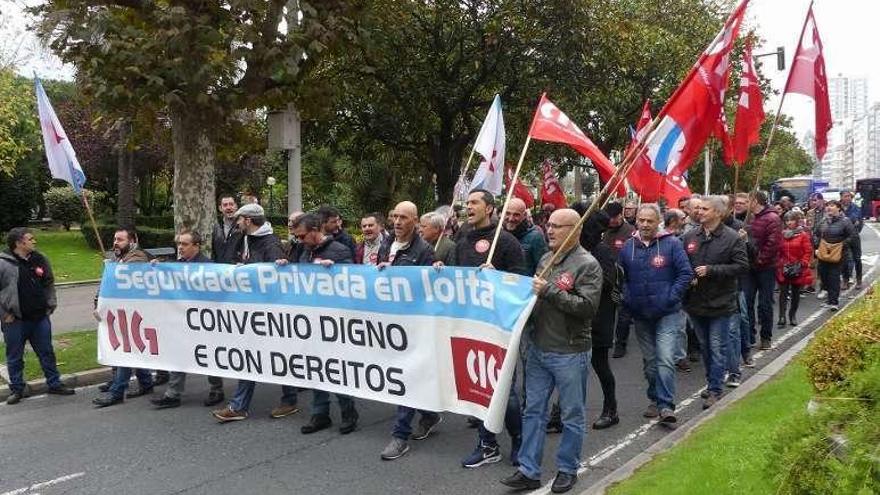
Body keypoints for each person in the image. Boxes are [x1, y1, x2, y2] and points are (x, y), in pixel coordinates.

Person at [500, 208, 602, 493]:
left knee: (571, 414)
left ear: (575, 230)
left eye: (558, 226)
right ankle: (528, 469)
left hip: (569, 351)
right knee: (533, 411)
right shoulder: (546, 258)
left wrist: (549, 292)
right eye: (549, 225)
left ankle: (568, 469)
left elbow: (587, 308)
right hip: (539, 348)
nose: (550, 230)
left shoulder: (588, 264)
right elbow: (529, 294)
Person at [440, 189, 525, 468]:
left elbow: (522, 281)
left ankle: (519, 439)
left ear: (489, 208)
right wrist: (441, 268)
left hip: (499, 328)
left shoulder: (507, 242)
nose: (468, 206)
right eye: (467, 203)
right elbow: (456, 278)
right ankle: (487, 444)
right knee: (478, 387)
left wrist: (498, 278)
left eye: (474, 202)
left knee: (506, 394)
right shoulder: (462, 238)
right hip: (470, 325)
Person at [212, 204, 297, 422]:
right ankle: (239, 405)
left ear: (248, 220)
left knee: (279, 356)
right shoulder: (243, 238)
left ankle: (289, 400)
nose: (237, 223)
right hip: (248, 309)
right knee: (249, 356)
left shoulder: (271, 244)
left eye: (240, 219)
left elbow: (275, 279)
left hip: (268, 312)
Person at [618, 204, 693, 427]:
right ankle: (654, 398)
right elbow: (620, 278)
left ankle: (666, 405)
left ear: (658, 221)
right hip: (640, 314)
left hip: (668, 313)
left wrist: (671, 297)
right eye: (641, 220)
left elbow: (685, 273)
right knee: (651, 363)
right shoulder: (628, 247)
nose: (644, 225)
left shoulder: (672, 244)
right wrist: (627, 298)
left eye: (650, 221)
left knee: (665, 359)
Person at [379, 202, 442, 461]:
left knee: (404, 376)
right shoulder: (386, 246)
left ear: (415, 221)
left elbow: (429, 290)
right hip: (390, 321)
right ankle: (429, 415)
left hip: (414, 325)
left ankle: (400, 435)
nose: (397, 221)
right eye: (394, 216)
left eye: (403, 217)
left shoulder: (425, 251)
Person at [681, 196, 749, 409]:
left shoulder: (732, 238)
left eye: (705, 208)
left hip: (721, 303)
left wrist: (712, 270)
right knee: (705, 346)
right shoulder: (690, 236)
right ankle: (712, 381)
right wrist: (687, 277)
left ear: (718, 213)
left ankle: (715, 389)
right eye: (698, 208)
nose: (699, 211)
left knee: (717, 346)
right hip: (696, 302)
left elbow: (741, 266)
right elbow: (683, 263)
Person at [0, 228, 75, 405]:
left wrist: (50, 304)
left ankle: (54, 383)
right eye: (30, 239)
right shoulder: (3, 263)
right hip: (15, 320)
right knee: (15, 356)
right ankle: (17, 389)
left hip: (40, 318)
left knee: (46, 352)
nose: (34, 241)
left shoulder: (40, 258)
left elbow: (49, 282)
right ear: (19, 243)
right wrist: (4, 314)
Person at [150, 231, 224, 409]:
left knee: (207, 354)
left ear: (196, 246)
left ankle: (217, 389)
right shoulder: (178, 265)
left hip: (204, 321)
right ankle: (173, 394)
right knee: (178, 352)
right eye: (178, 244)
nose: (180, 247)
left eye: (184, 244)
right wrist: (157, 267)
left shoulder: (208, 266)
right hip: (183, 320)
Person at [93, 227, 154, 407]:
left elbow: (125, 277)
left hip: (135, 313)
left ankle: (117, 392)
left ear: (132, 241)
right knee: (132, 349)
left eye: (120, 240)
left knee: (125, 352)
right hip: (123, 313)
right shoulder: (119, 259)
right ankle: (146, 382)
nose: (115, 243)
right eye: (114, 239)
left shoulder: (137, 258)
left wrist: (113, 268)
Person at [744, 191, 782, 350]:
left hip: (766, 267)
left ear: (756, 201)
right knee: (747, 302)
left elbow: (772, 245)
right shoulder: (749, 218)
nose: (746, 203)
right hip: (749, 267)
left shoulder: (772, 218)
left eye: (748, 200)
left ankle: (766, 336)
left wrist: (759, 260)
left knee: (765, 303)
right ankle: (750, 335)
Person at [602, 202, 635, 358]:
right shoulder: (604, 231)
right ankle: (607, 340)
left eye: (614, 217)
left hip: (625, 279)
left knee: (623, 314)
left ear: (621, 215)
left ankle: (621, 343)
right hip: (607, 278)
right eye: (610, 218)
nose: (612, 221)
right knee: (607, 312)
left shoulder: (630, 232)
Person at [814, 200, 855, 312]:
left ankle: (834, 302)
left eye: (832, 205)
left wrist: (841, 245)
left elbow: (852, 236)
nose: (828, 207)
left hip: (838, 254)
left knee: (834, 277)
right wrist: (817, 247)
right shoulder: (823, 221)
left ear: (838, 208)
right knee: (823, 275)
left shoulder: (845, 221)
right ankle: (828, 299)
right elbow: (816, 234)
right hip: (823, 252)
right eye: (827, 206)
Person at [776, 211, 814, 327]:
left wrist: (803, 262)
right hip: (784, 267)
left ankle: (792, 315)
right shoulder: (781, 234)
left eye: (791, 220)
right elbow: (777, 250)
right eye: (787, 220)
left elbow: (808, 250)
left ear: (796, 221)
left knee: (796, 293)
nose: (789, 223)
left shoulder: (803, 235)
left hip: (798, 267)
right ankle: (782, 316)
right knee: (783, 292)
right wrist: (779, 262)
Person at [504, 197, 549, 276]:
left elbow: (543, 268)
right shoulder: (499, 234)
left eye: (516, 215)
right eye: (508, 213)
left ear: (524, 215)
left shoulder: (535, 237)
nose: (511, 218)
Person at [840, 190, 864, 290]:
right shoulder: (838, 207)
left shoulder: (855, 207)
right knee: (844, 260)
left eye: (849, 196)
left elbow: (858, 221)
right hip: (843, 237)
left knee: (857, 259)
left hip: (854, 236)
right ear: (841, 197)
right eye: (845, 196)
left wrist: (855, 229)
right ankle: (845, 280)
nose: (848, 198)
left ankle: (859, 280)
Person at [211, 195, 243, 265]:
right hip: (219, 270)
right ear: (220, 208)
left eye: (231, 204)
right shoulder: (216, 227)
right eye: (225, 205)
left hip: (237, 271)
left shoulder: (243, 226)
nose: (228, 207)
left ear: (236, 206)